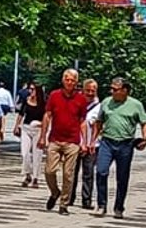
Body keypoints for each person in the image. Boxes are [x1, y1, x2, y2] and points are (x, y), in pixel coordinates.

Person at [90, 78, 146, 220]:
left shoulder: (136, 105)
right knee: (101, 171)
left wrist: (145, 139)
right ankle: (101, 204)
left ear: (125, 90)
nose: (113, 92)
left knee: (122, 177)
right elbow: (99, 122)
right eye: (112, 89)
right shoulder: (106, 102)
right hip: (107, 142)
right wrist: (93, 140)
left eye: (116, 89)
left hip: (125, 144)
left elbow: (144, 123)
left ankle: (119, 207)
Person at [40, 69, 89, 215]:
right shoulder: (54, 95)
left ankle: (64, 203)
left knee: (68, 174)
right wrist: (43, 136)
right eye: (67, 79)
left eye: (72, 80)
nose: (70, 83)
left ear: (76, 82)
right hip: (55, 138)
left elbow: (83, 122)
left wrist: (84, 142)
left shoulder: (81, 99)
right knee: (49, 170)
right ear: (63, 80)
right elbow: (47, 116)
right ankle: (55, 192)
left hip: (72, 141)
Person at [17, 84, 46, 188]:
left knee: (37, 154)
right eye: (30, 89)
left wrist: (42, 126)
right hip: (26, 128)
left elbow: (47, 118)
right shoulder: (26, 100)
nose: (30, 91)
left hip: (37, 129)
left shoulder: (43, 103)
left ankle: (35, 178)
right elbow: (21, 113)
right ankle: (27, 174)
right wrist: (17, 126)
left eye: (33, 89)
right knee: (24, 153)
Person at [77, 78, 100, 210]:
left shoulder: (99, 106)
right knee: (71, 173)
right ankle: (69, 197)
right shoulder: (77, 103)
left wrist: (91, 142)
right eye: (88, 90)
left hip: (92, 145)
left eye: (93, 90)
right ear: (83, 90)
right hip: (76, 142)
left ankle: (86, 200)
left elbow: (98, 125)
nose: (90, 93)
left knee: (89, 173)